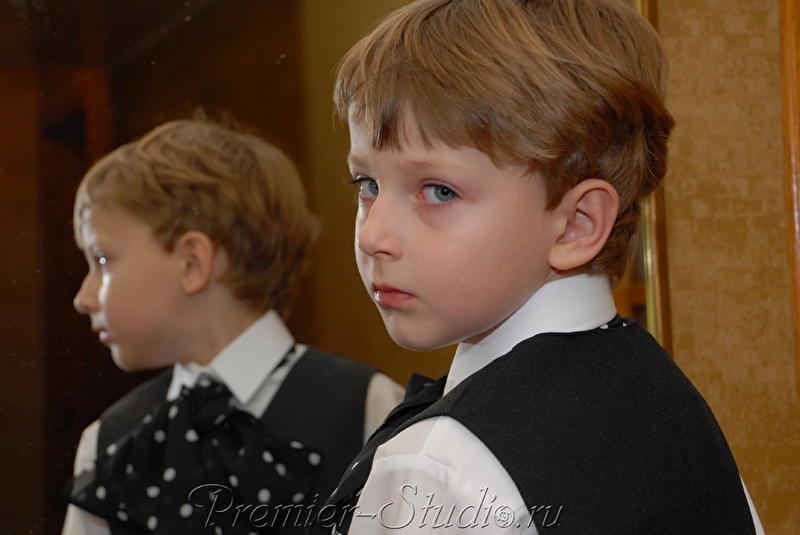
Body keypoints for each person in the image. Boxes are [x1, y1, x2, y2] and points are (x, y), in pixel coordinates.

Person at [311, 0, 765, 533]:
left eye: (438, 190)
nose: (372, 236)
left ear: (576, 225)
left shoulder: (440, 471)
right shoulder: (679, 416)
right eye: (367, 184)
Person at [61, 118, 404, 535]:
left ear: (193, 263)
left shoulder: (368, 409)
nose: (82, 297)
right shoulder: (108, 443)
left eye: (101, 260)